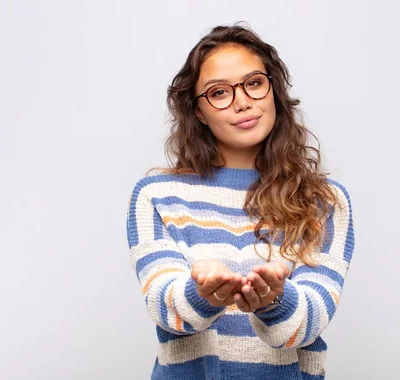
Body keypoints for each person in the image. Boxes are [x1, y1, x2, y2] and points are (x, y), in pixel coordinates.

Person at [125, 23, 355, 380]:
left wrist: (274, 300)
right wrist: (204, 294)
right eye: (219, 92)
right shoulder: (157, 194)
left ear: (273, 89)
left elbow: (308, 322)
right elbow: (166, 307)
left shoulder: (324, 201)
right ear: (198, 111)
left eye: (253, 83)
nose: (243, 101)